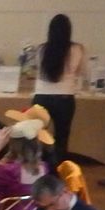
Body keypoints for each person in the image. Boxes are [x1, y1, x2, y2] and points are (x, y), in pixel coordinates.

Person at [31, 13, 87, 161]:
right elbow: (80, 71)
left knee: (37, 134)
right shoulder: (77, 49)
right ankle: (58, 170)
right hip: (64, 97)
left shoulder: (41, 49)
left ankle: (36, 168)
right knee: (62, 137)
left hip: (41, 97)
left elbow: (36, 69)